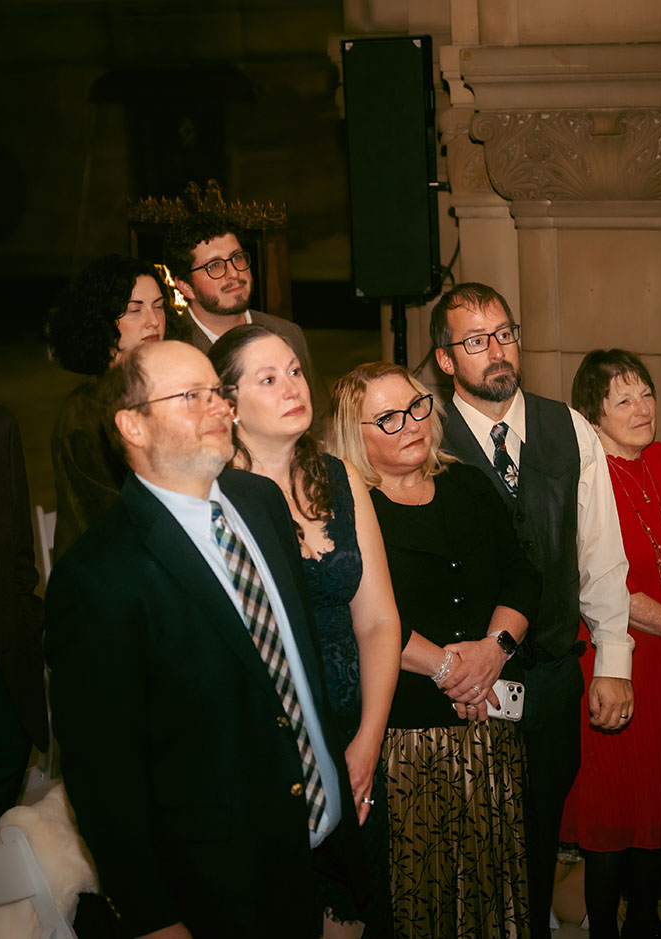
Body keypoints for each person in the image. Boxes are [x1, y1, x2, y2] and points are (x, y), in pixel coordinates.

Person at [44, 341, 361, 938]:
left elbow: (296, 669)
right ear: (133, 424)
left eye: (216, 391)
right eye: (191, 397)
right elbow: (105, 777)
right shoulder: (98, 575)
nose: (217, 407)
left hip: (324, 849)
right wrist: (154, 919)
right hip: (219, 888)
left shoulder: (262, 503)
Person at [429, 282, 634, 938]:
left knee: (539, 836)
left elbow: (600, 553)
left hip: (548, 676)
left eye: (505, 334)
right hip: (460, 687)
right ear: (444, 359)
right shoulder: (424, 435)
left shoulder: (566, 427)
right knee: (470, 844)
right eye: (475, 340)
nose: (497, 352)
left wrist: (614, 660)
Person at [327, 362, 541, 939]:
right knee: (415, 896)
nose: (412, 425)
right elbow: (364, 621)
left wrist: (492, 652)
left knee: (488, 892)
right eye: (389, 418)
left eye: (417, 407)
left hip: (488, 730)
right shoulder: (348, 512)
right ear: (355, 434)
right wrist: (452, 669)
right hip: (402, 741)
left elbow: (522, 576)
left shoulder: (468, 484)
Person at [208, 324, 400, 937]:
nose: (293, 386)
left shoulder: (339, 477)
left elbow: (378, 620)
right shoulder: (215, 501)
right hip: (271, 750)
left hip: (356, 734)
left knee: (362, 914)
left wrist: (368, 741)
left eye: (294, 370)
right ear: (229, 405)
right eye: (268, 379)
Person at [562, 349, 661, 939]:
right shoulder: (589, 478)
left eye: (646, 393)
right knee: (617, 807)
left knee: (660, 798)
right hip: (620, 661)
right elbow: (601, 586)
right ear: (593, 414)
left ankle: (647, 920)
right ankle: (604, 927)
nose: (641, 407)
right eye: (623, 398)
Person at [47, 253, 180, 559]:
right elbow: (127, 519)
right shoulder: (83, 414)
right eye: (135, 310)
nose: (153, 321)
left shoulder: (160, 387)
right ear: (101, 321)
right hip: (110, 572)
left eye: (159, 306)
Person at [163, 211, 330, 421]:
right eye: (214, 266)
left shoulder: (287, 333)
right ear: (185, 287)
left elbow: (321, 422)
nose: (234, 273)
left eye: (237, 258)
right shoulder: (171, 351)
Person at [0, 405, 48, 821]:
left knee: (8, 757)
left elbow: (17, 552)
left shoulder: (0, 425)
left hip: (4, 647)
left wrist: (28, 625)